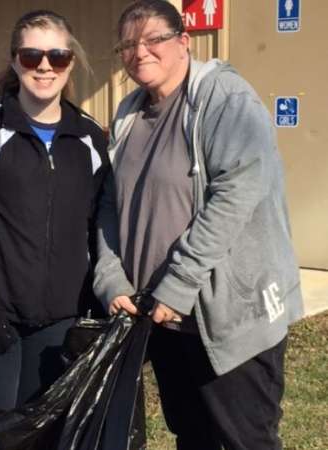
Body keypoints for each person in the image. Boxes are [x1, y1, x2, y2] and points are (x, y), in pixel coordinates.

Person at [93, 1, 304, 449]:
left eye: (154, 39)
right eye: (128, 44)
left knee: (245, 439)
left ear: (184, 41)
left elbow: (235, 194)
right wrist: (111, 278)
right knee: (191, 435)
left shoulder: (226, 99)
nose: (140, 52)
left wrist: (179, 283)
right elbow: (112, 202)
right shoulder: (130, 111)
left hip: (231, 314)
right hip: (163, 317)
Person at [0, 10, 109, 450]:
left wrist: (97, 303)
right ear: (14, 62)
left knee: (42, 437)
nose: (44, 66)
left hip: (60, 319)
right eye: (32, 56)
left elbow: (99, 225)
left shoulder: (88, 137)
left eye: (57, 55)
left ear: (70, 63)